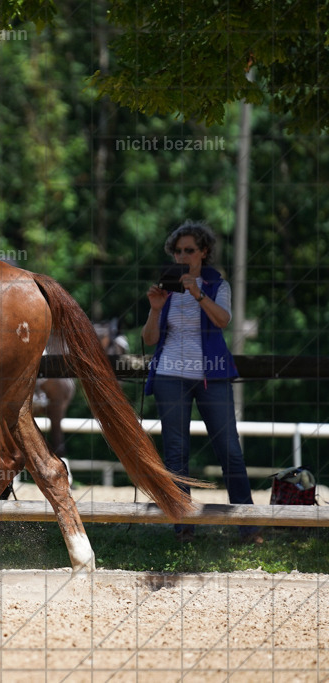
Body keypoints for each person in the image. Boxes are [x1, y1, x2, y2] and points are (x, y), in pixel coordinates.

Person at [142, 220, 261, 544]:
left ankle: (248, 526)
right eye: (178, 251)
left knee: (229, 451)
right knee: (176, 454)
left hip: (212, 374)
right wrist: (155, 309)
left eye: (189, 250)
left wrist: (197, 294)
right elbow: (149, 338)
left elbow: (223, 320)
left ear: (203, 252)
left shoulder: (217, 284)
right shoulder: (166, 288)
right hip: (169, 375)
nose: (182, 256)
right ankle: (183, 528)